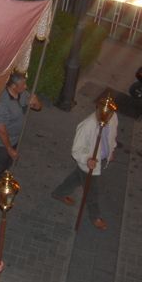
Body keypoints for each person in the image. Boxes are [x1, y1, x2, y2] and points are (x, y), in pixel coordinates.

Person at [51, 99, 118, 231]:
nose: (109, 116)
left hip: (97, 160)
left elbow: (112, 135)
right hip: (89, 165)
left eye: (110, 113)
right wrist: (87, 159)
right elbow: (76, 150)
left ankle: (59, 193)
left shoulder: (113, 117)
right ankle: (95, 217)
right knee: (91, 192)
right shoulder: (87, 125)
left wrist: (112, 149)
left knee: (77, 177)